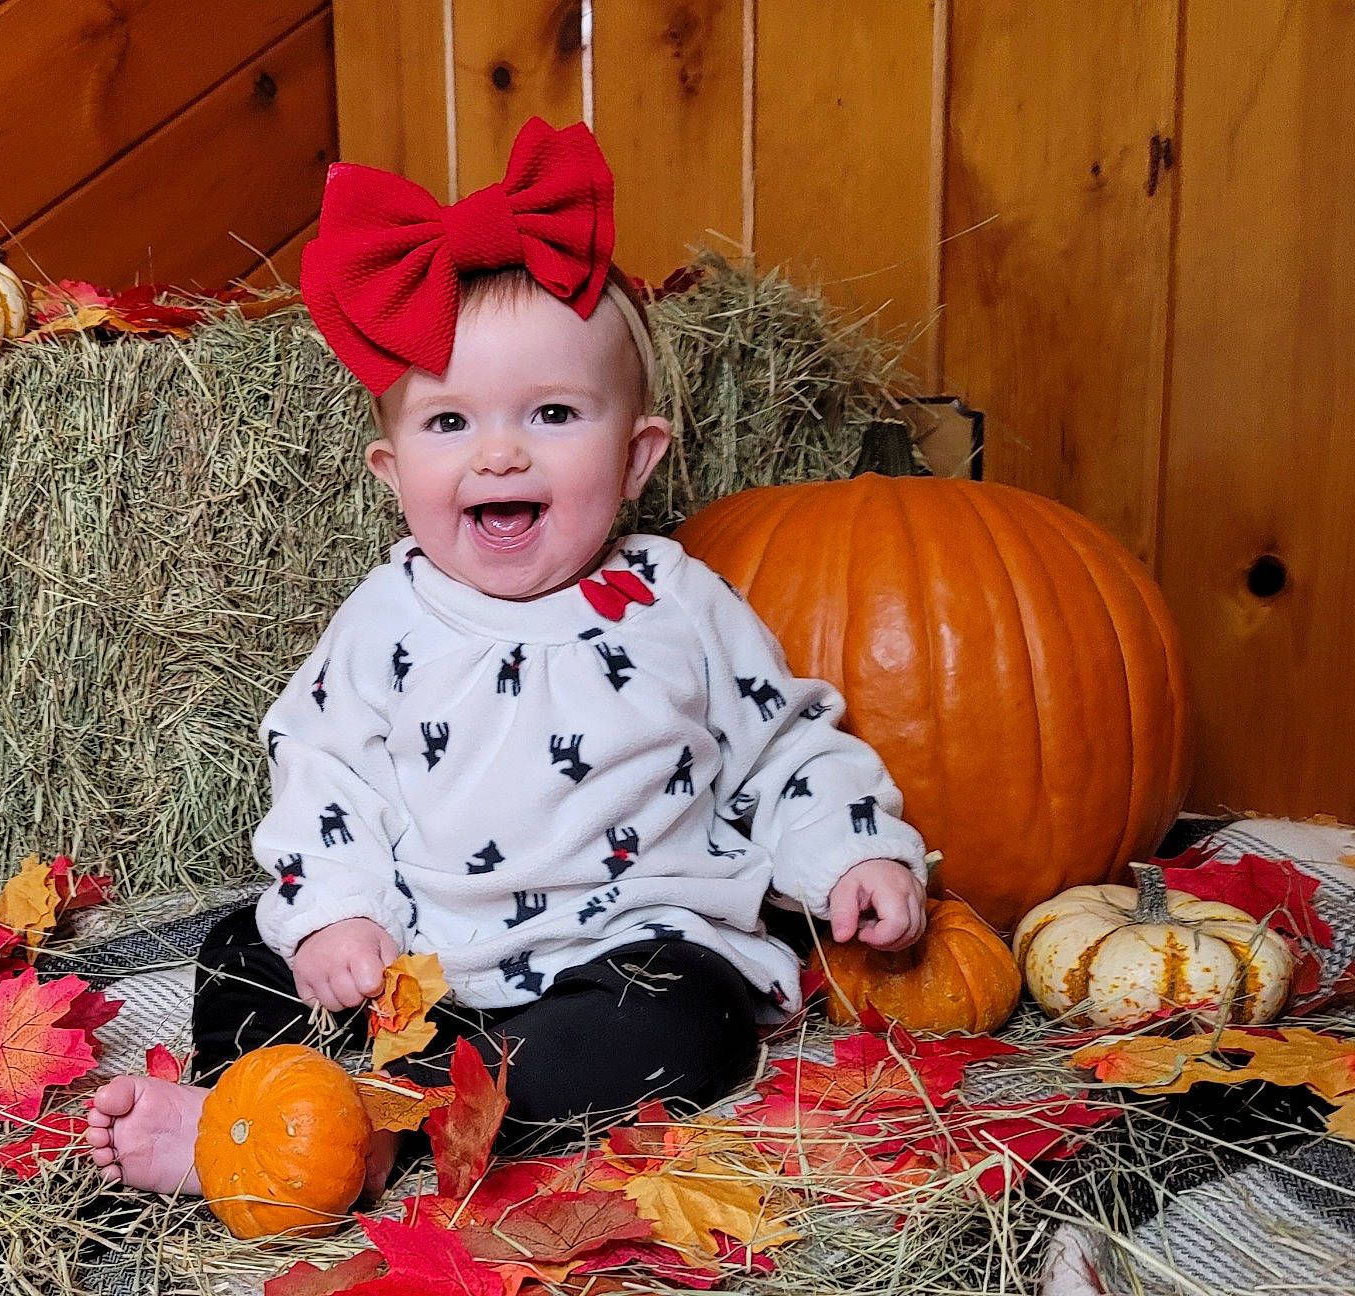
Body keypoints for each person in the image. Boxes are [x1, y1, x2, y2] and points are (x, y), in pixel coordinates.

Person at [85, 117, 927, 1200]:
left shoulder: (676, 604)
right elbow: (323, 771)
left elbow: (781, 750)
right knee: (245, 949)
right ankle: (259, 1118)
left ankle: (397, 1134)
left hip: (617, 951)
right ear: (391, 470)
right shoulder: (389, 615)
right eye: (449, 423)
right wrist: (340, 911)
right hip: (414, 967)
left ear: (636, 458)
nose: (498, 451)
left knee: (686, 1029)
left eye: (551, 413)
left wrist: (850, 855)